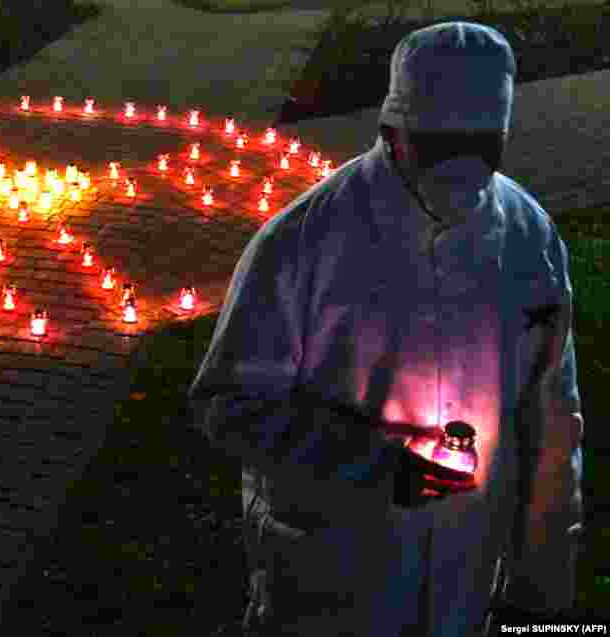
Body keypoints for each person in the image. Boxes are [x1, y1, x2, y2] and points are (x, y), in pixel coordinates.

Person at [189, 22, 584, 636]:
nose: (459, 164)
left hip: (467, 577)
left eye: (480, 143)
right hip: (331, 580)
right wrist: (372, 466)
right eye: (437, 143)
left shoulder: (530, 239)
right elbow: (229, 403)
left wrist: (545, 573)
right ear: (390, 131)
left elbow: (553, 413)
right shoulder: (305, 241)